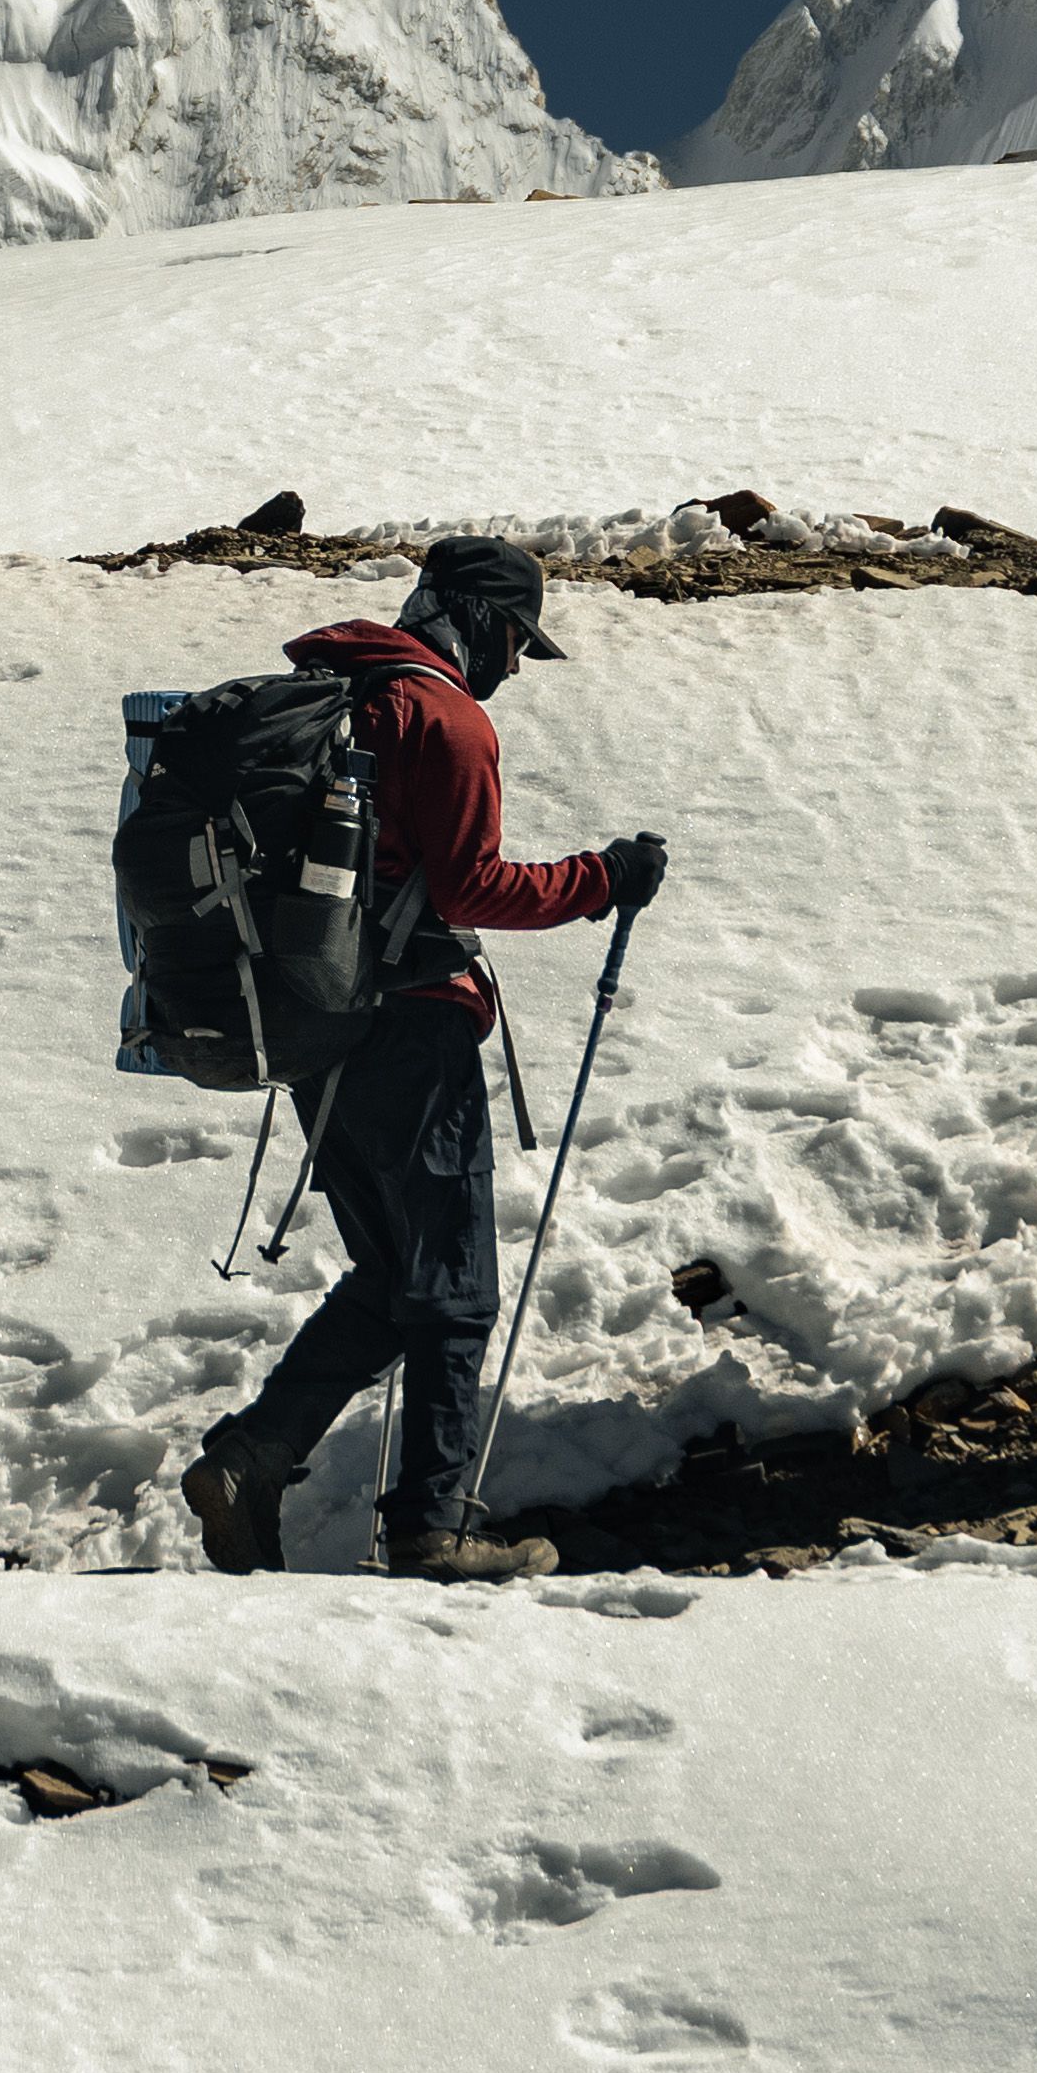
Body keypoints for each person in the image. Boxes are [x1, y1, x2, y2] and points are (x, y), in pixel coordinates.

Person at [176, 536, 667, 1582]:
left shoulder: (337, 694)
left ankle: (250, 1460)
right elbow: (469, 891)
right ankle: (430, 1527)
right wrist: (602, 878)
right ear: (478, 620)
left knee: (392, 1276)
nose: (516, 664)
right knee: (452, 1288)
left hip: (317, 1030)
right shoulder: (442, 716)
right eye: (514, 638)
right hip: (411, 1033)